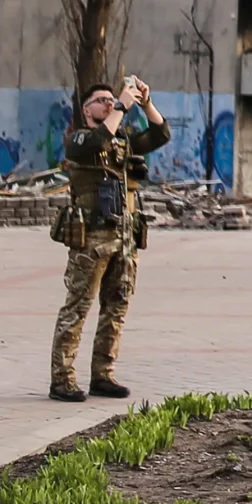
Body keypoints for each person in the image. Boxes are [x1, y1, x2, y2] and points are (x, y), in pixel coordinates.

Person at [49, 76, 167, 403]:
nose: (108, 103)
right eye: (101, 100)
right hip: (92, 238)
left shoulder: (122, 140)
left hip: (124, 236)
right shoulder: (79, 139)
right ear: (86, 110)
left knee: (116, 305)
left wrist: (145, 103)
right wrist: (121, 107)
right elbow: (98, 142)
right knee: (78, 306)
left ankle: (103, 374)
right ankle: (62, 379)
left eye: (110, 99)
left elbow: (160, 134)